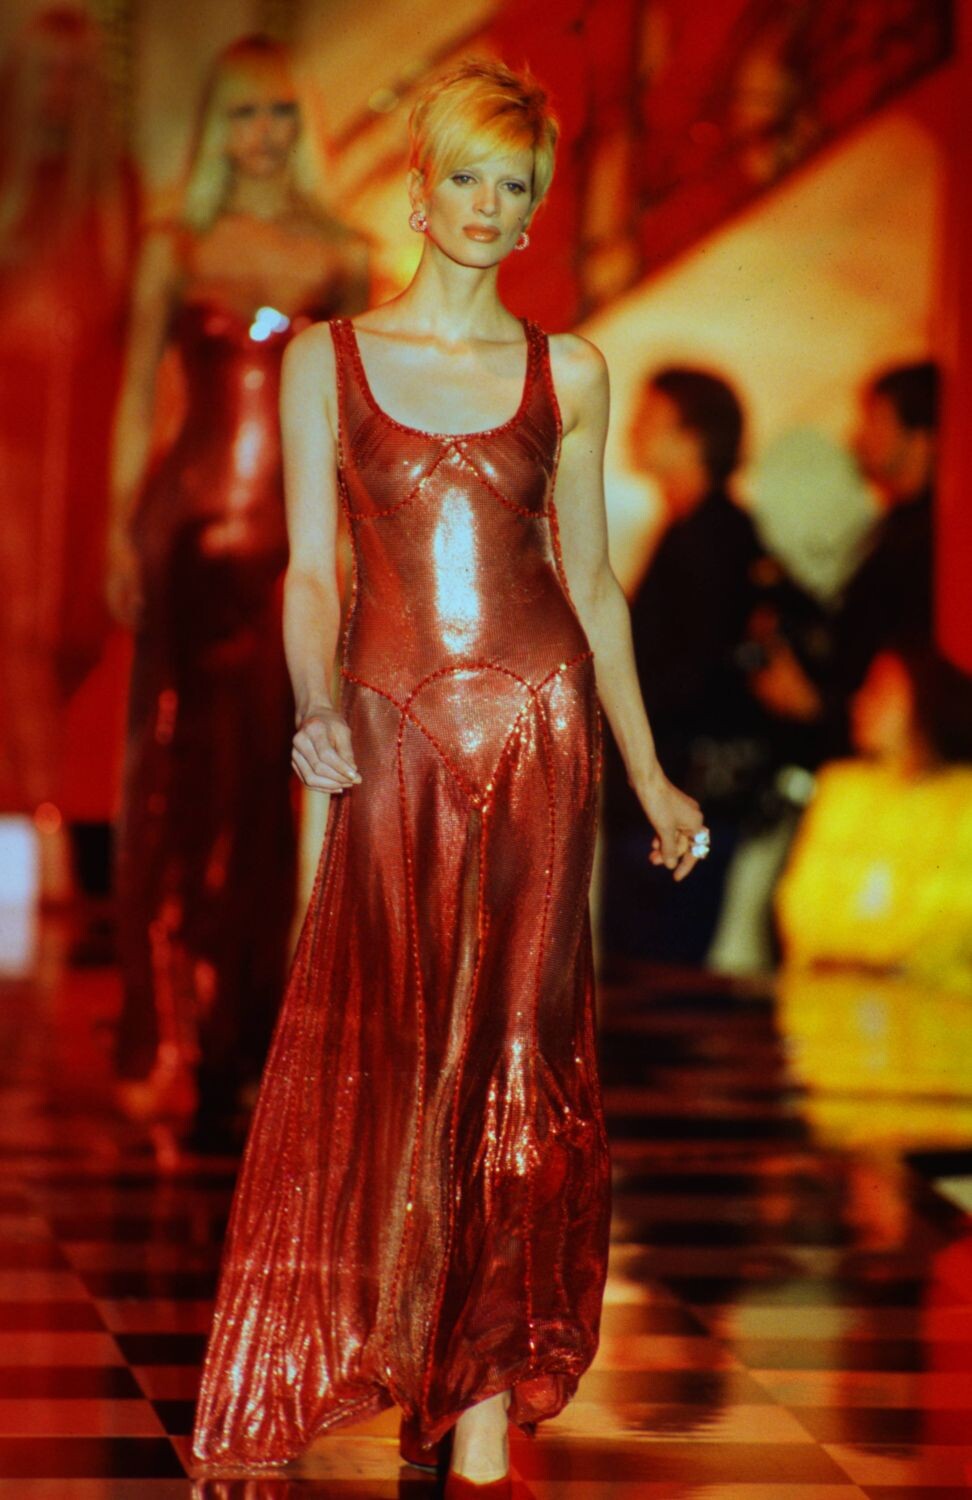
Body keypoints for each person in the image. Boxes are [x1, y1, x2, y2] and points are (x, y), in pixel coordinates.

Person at [191, 58, 706, 1493]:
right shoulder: (327, 360)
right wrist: (313, 702)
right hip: (392, 735)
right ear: (417, 192)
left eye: (514, 185)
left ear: (535, 214)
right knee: (393, 1051)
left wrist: (652, 773)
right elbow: (311, 573)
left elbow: (592, 587)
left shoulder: (570, 372)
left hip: (542, 730)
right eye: (466, 176)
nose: (488, 204)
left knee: (521, 1056)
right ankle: (392, 1344)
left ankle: (480, 1389)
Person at [106, 35, 369, 1134]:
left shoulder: (344, 254)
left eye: (279, 114)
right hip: (185, 529)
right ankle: (166, 1030)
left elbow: (355, 419)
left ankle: (247, 1033)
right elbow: (136, 395)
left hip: (287, 546)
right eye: (244, 114)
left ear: (302, 126)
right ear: (218, 128)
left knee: (270, 781)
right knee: (171, 772)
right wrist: (119, 529)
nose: (262, 135)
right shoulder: (177, 245)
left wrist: (353, 546)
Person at [0, 7, 138, 891]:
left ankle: (58, 833)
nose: (58, 92)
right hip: (7, 462)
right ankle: (30, 832)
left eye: (74, 74)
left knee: (75, 643)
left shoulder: (114, 196)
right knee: (14, 637)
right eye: (45, 71)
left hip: (85, 465)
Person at [600, 366, 774, 964]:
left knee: (657, 972)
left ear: (694, 438)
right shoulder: (690, 532)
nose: (631, 431)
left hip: (681, 797)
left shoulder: (714, 541)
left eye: (650, 420)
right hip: (668, 793)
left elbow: (689, 678)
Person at [752, 361, 938, 751]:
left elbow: (905, 657)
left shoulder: (928, 540)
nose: (860, 435)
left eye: (878, 420)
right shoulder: (896, 525)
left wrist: (819, 705)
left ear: (921, 437)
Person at [776, 646, 972, 990]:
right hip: (827, 994)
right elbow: (800, 899)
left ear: (926, 699)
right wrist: (850, 962)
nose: (860, 701)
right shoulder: (839, 787)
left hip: (935, 1002)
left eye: (880, 690)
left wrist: (873, 961)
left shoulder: (963, 799)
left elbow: (954, 914)